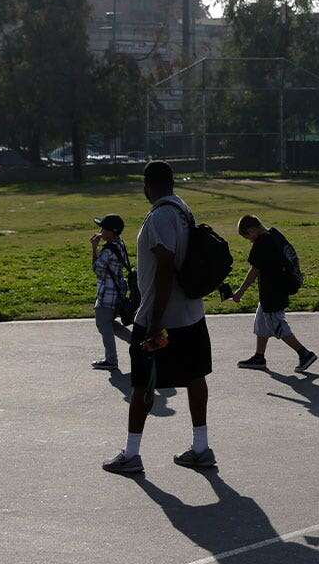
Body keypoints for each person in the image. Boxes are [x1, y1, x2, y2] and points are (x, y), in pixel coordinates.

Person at [103, 161, 215, 475]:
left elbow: (165, 266)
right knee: (195, 377)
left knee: (141, 383)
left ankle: (132, 453)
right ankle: (201, 447)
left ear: (147, 185)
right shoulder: (183, 209)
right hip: (192, 314)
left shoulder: (160, 216)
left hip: (161, 319)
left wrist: (154, 320)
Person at [232, 215, 318, 373]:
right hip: (277, 289)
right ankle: (259, 357)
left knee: (277, 325)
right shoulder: (274, 234)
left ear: (251, 230)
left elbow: (254, 271)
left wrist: (240, 291)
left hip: (273, 292)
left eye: (247, 237)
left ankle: (304, 354)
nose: (249, 240)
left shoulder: (261, 243)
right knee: (261, 322)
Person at [90, 214, 129, 371]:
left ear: (111, 232)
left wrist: (94, 248)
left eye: (103, 229)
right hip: (117, 290)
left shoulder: (107, 251)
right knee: (110, 324)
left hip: (108, 293)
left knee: (102, 323)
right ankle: (138, 344)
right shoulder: (120, 243)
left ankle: (111, 360)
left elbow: (96, 269)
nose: (100, 231)